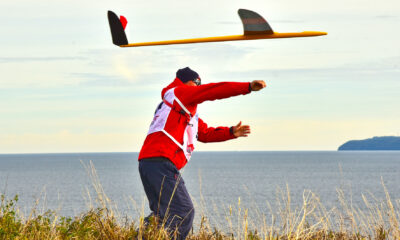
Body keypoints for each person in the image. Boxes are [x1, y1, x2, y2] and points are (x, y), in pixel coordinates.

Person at [138, 67, 266, 239]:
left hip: (149, 163)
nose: (199, 87)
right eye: (198, 83)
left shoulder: (178, 104)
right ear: (188, 82)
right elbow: (214, 90)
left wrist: (230, 132)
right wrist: (248, 87)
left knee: (162, 214)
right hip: (161, 162)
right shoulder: (181, 92)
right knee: (183, 212)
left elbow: (203, 133)